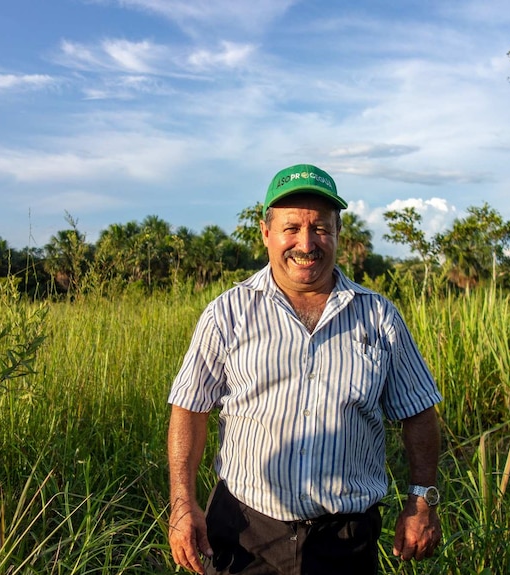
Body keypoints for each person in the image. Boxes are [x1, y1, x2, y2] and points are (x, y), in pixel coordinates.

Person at [167, 163, 443, 575]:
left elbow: (419, 413)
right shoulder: (228, 313)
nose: (306, 243)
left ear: (337, 235)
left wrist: (421, 501)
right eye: (291, 228)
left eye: (321, 229)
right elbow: (189, 409)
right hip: (245, 534)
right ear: (266, 234)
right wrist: (183, 504)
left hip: (346, 540)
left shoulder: (379, 316)